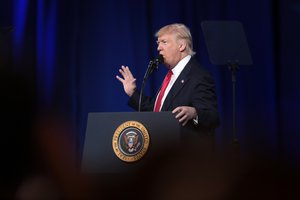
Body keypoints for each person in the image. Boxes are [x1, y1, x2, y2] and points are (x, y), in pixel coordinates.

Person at [116, 23, 220, 149]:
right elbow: (158, 113)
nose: (159, 48)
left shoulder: (198, 76)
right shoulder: (171, 76)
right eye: (158, 43)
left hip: (187, 158)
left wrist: (195, 113)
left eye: (164, 42)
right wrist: (133, 93)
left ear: (181, 46)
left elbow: (212, 117)